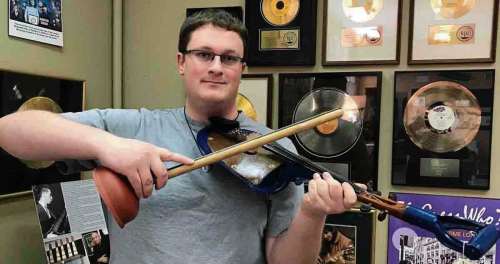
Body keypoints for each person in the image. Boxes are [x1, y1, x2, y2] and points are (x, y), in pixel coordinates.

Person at [0, 9, 359, 263]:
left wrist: (313, 214)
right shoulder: (132, 128)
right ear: (181, 62)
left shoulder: (274, 149)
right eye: (204, 54)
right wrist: (109, 146)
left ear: (242, 70)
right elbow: (12, 131)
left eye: (229, 58)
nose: (217, 67)